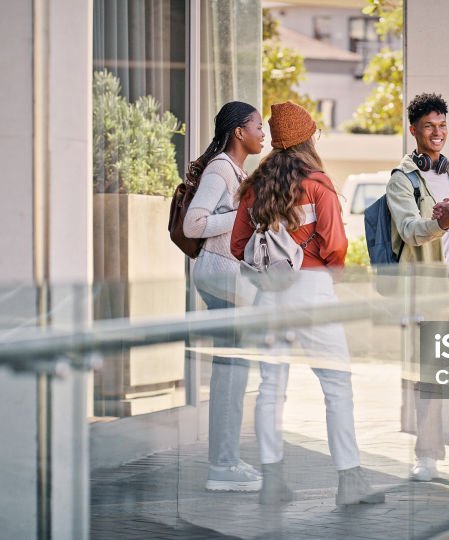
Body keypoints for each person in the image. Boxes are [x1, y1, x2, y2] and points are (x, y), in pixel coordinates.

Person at [231, 101, 384, 506]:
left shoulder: (253, 188)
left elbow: (236, 247)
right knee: (336, 385)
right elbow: (336, 247)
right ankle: (349, 481)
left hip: (269, 295)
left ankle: (271, 479)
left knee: (270, 387)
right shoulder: (319, 184)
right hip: (313, 290)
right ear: (306, 140)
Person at [386, 93, 449, 482]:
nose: (437, 133)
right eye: (429, 126)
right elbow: (411, 231)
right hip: (428, 291)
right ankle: (427, 456)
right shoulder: (403, 180)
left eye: (443, 125)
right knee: (429, 375)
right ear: (413, 130)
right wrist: (440, 224)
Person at [183, 101, 266, 492]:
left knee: (233, 373)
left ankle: (226, 461)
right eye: (258, 127)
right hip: (219, 280)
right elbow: (194, 222)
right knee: (231, 373)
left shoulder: (235, 170)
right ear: (239, 132)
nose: (262, 134)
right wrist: (241, 217)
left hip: (226, 281)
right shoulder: (220, 170)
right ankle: (222, 466)